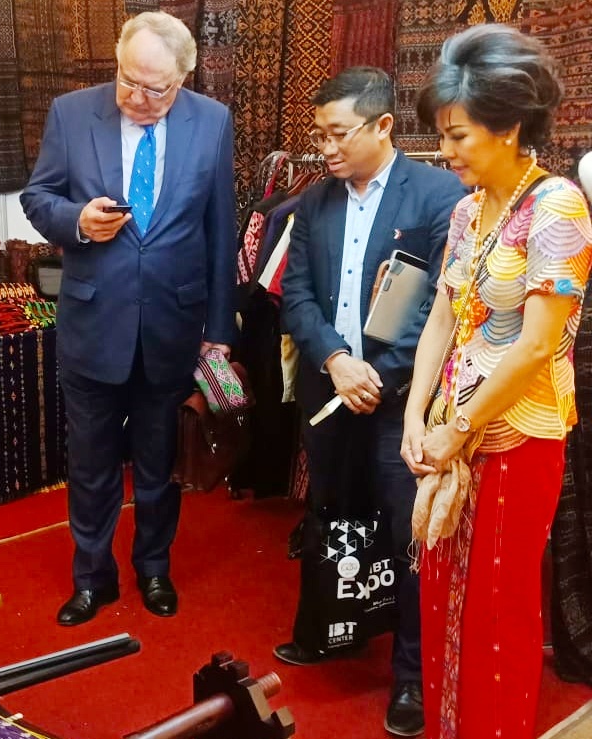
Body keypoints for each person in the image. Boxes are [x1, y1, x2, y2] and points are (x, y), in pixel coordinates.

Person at [402, 24, 592, 739]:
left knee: (496, 609)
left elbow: (540, 344)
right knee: (440, 597)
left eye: (457, 135)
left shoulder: (558, 208)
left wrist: (458, 426)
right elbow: (442, 320)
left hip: (518, 436)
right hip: (456, 431)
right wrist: (416, 416)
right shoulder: (465, 209)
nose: (444, 151)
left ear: (509, 127)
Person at [20, 11, 236, 626]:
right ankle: (92, 578)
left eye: (156, 89)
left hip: (172, 324)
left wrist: (219, 330)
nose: (138, 99)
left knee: (158, 461)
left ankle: (154, 567)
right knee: (90, 465)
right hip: (93, 324)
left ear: (183, 78)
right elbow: (38, 197)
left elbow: (221, 229)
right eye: (128, 82)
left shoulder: (213, 122)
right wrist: (76, 224)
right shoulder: (71, 111)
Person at [278, 66, 466, 737]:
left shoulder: (438, 196)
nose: (325, 148)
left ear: (383, 126)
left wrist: (377, 377)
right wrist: (334, 359)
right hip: (330, 394)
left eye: (337, 134)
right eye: (318, 134)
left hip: (399, 401)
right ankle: (329, 628)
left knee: (403, 534)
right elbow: (296, 295)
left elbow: (439, 307)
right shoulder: (313, 201)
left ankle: (410, 677)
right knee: (330, 515)